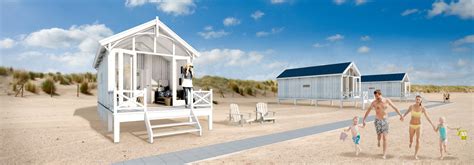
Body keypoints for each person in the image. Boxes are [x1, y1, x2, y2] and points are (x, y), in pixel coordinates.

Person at [362, 89, 403, 159]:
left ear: (380, 94)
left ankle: (384, 154)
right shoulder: (374, 103)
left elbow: (395, 107)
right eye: (375, 96)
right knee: (379, 136)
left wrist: (400, 115)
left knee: (385, 137)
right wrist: (364, 120)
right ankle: (378, 140)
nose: (376, 98)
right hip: (377, 120)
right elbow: (368, 111)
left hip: (385, 120)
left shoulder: (387, 100)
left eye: (377, 96)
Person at [402, 95, 435, 160]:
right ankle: (411, 142)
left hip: (419, 125)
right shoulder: (411, 106)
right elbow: (407, 112)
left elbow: (427, 117)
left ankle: (415, 155)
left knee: (418, 140)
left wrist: (432, 124)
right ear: (415, 100)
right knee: (411, 138)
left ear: (421, 101)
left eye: (419, 99)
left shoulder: (423, 108)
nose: (417, 100)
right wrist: (403, 116)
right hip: (411, 125)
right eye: (416, 99)